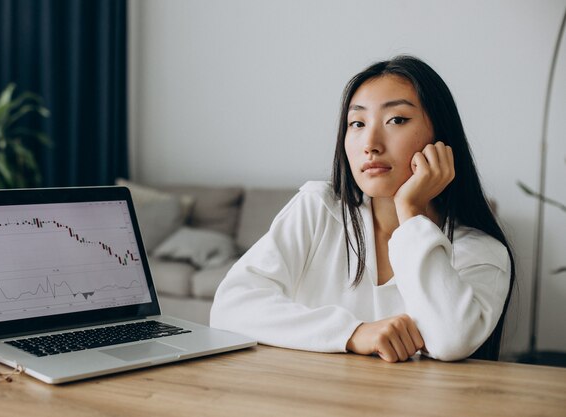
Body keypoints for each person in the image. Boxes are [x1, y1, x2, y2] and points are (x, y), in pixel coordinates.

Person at [210, 55, 515, 362]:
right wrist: (354, 333)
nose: (370, 143)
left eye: (396, 120)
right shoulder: (318, 208)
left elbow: (451, 341)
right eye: (357, 123)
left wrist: (411, 211)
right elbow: (229, 307)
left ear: (441, 136)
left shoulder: (481, 252)